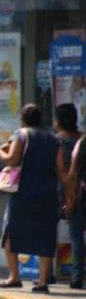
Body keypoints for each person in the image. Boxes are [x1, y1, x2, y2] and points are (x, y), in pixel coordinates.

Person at [0, 104, 66, 293]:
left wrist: (0, 150)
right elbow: (60, 169)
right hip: (48, 194)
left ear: (23, 118)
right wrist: (68, 193)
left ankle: (14, 276)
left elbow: (12, 159)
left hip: (23, 193)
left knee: (10, 232)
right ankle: (42, 281)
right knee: (46, 235)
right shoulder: (53, 139)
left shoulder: (21, 134)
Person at [58, 104, 85, 288]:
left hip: (76, 191)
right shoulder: (81, 138)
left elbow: (71, 174)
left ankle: (76, 277)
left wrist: (70, 198)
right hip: (77, 190)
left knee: (75, 235)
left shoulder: (58, 141)